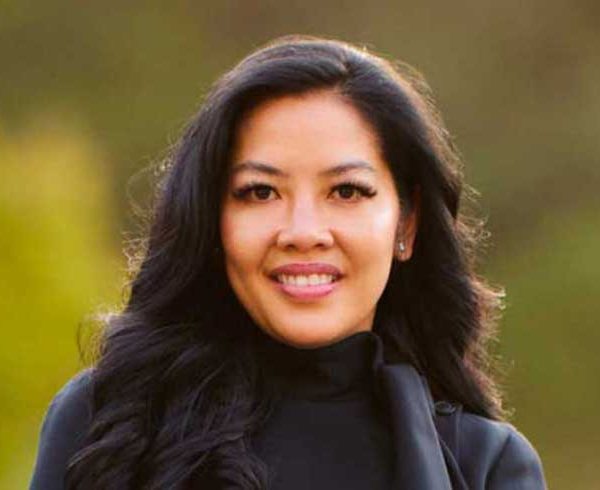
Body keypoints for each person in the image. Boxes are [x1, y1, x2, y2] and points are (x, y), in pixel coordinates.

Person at [30, 35, 547, 489]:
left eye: (347, 191)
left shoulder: (483, 465)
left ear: (406, 225)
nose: (302, 232)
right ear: (212, 218)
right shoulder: (107, 426)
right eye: (259, 192)